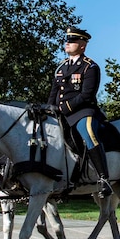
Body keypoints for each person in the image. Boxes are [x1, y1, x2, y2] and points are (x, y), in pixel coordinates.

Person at [47, 26, 112, 198]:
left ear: (83, 45)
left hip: (82, 112)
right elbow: (53, 94)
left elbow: (86, 95)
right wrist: (49, 110)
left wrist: (65, 108)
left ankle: (103, 178)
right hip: (61, 113)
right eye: (67, 40)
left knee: (88, 132)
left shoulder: (90, 67)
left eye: (73, 41)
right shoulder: (60, 68)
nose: (68, 43)